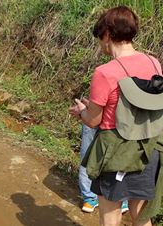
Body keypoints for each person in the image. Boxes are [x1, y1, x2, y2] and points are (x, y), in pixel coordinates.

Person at [69, 6, 163, 225]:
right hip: (149, 148)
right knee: (140, 214)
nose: (101, 44)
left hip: (117, 152)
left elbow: (94, 120)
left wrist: (82, 111)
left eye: (100, 37)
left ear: (108, 34)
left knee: (109, 216)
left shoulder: (105, 72)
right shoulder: (153, 62)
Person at [79, 124, 129, 213]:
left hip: (95, 115)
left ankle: (89, 199)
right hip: (122, 120)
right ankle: (120, 199)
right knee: (121, 155)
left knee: (88, 153)